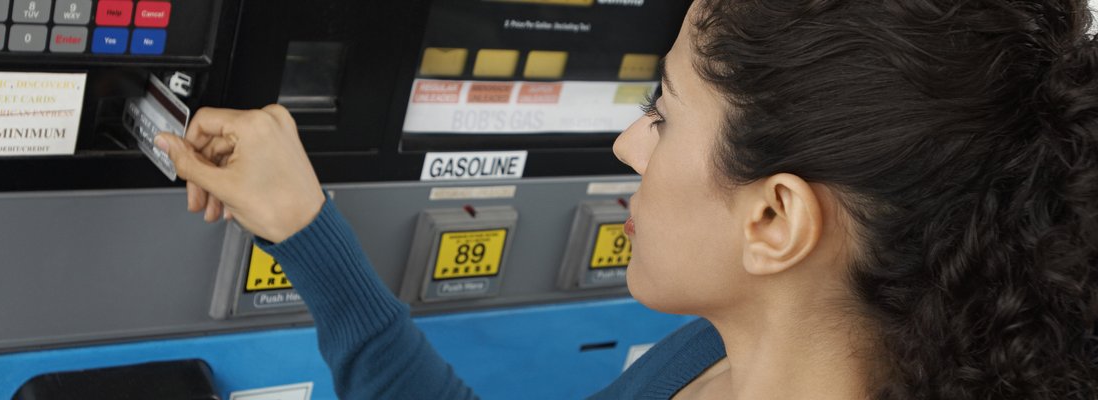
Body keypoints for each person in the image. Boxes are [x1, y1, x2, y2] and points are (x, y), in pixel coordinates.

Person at [153, 0, 1098, 398]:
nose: (624, 143)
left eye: (663, 114)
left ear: (774, 219)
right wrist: (305, 228)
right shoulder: (727, 349)